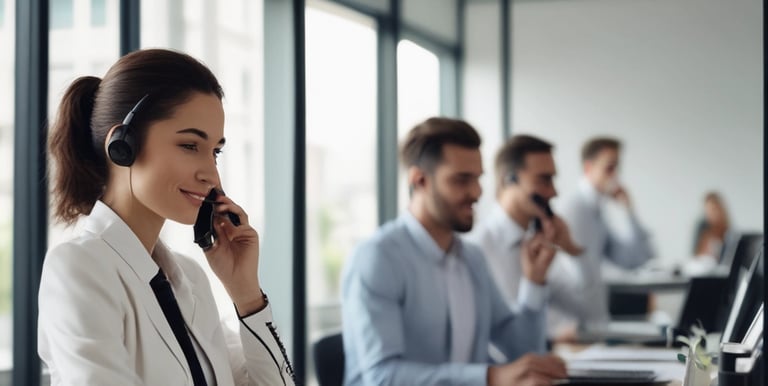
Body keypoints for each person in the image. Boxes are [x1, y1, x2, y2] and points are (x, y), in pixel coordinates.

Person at [39, 48, 294, 385]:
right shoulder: (79, 268)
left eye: (215, 151)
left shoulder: (190, 279)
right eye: (190, 145)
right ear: (122, 145)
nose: (212, 176)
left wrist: (246, 294)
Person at [341, 118, 567, 386]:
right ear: (419, 180)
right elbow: (382, 377)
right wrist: (490, 377)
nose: (476, 192)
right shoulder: (378, 258)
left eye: (478, 178)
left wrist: (534, 281)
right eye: (462, 180)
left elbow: (521, 350)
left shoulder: (471, 258)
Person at [467, 135, 587, 341]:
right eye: (544, 180)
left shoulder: (539, 241)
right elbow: (498, 332)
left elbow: (585, 307)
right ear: (509, 180)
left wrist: (570, 250)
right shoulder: (477, 247)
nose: (554, 192)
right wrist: (554, 334)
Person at [557, 137, 654, 323]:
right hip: (576, 322)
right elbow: (583, 279)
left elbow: (634, 260)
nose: (616, 176)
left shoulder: (597, 211)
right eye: (610, 168)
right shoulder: (575, 210)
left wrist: (629, 212)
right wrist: (599, 324)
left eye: (618, 168)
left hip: (593, 316)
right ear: (588, 168)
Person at [692, 192, 731, 260]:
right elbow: (694, 253)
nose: (713, 213)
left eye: (715, 208)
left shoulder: (727, 228)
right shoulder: (702, 226)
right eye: (709, 210)